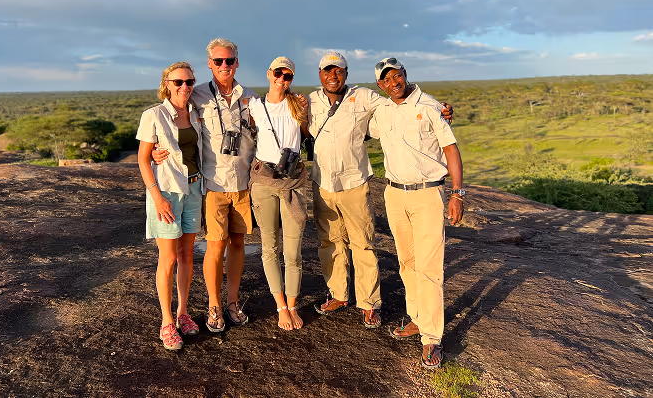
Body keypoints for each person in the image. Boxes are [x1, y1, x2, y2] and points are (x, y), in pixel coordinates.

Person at [308, 51, 452, 329]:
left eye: (339, 71)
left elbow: (402, 101)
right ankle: (338, 294)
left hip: (355, 182)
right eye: (328, 71)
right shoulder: (310, 101)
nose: (333, 76)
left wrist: (440, 108)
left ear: (346, 74)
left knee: (363, 243)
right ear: (320, 74)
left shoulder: (365, 96)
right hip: (322, 182)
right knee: (330, 242)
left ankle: (369, 303)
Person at [153, 38, 257, 332]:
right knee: (214, 247)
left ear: (237, 62)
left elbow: (268, 126)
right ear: (210, 64)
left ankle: (233, 301)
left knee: (238, 243)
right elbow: (171, 123)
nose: (225, 66)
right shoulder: (196, 95)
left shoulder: (250, 97)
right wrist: (152, 153)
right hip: (212, 184)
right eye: (219, 61)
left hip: (243, 182)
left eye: (230, 60)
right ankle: (214, 305)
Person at [369, 57, 464, 369]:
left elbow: (450, 149)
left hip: (427, 194)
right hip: (395, 194)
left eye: (398, 76)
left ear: (405, 75)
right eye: (387, 79)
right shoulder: (382, 110)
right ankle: (418, 318)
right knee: (407, 264)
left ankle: (432, 338)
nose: (394, 82)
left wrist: (457, 193)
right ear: (380, 85)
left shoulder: (432, 105)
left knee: (429, 268)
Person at [136, 62, 203, 350]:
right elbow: (142, 159)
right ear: (167, 83)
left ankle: (183, 313)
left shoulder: (197, 113)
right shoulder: (153, 115)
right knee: (169, 259)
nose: (184, 87)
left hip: (195, 188)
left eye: (189, 82)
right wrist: (156, 196)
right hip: (166, 192)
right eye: (178, 82)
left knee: (187, 254)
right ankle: (166, 321)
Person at [248, 57, 310, 331]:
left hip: (293, 182)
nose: (281, 80)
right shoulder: (254, 106)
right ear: (269, 73)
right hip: (264, 182)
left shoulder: (299, 104)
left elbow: (310, 133)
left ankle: (293, 304)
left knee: (293, 250)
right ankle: (281, 306)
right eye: (277, 73)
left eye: (287, 76)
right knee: (269, 247)